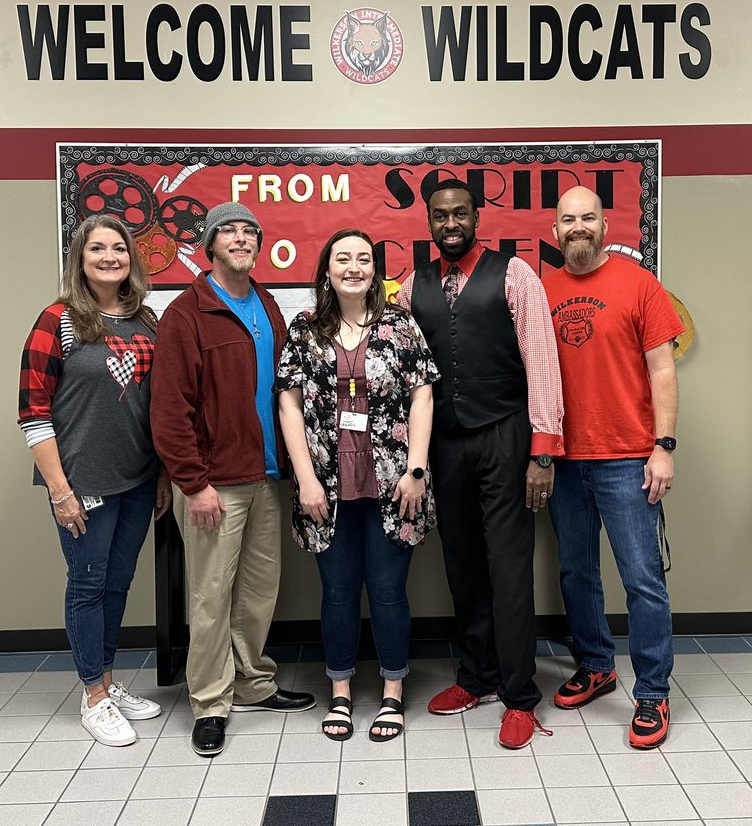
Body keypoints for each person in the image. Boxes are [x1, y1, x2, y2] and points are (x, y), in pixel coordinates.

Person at [397, 180, 566, 750]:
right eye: (440, 215)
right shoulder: (411, 286)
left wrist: (542, 451)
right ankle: (478, 676)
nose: (450, 223)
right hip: (444, 441)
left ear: (477, 216)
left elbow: (542, 364)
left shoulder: (515, 276)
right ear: (428, 220)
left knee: (510, 565)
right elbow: (404, 377)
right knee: (462, 561)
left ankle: (520, 695)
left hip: (505, 434)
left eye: (460, 213)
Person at [151, 201, 315, 757]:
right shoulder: (186, 313)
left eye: (250, 232)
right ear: (210, 245)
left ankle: (252, 684)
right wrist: (193, 484)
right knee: (209, 596)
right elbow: (170, 410)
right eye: (230, 232)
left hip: (266, 477)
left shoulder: (266, 304)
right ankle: (211, 702)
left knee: (257, 594)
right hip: (213, 484)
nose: (242, 239)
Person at [275, 229, 438, 743]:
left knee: (389, 592)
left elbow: (423, 395)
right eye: (342, 258)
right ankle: (341, 693)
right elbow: (289, 403)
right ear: (326, 270)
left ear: (375, 270)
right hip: (325, 486)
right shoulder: (304, 329)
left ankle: (392, 692)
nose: (353, 267)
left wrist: (416, 470)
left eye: (363, 259)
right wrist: (305, 480)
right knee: (339, 593)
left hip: (394, 485)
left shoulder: (399, 324)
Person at [17, 213, 170, 747]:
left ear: (132, 260)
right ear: (80, 259)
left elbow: (157, 406)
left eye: (120, 249)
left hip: (138, 479)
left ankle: (107, 680)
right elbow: (33, 413)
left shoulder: (147, 321)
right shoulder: (56, 320)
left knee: (117, 584)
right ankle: (93, 696)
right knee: (87, 585)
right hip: (82, 484)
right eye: (98, 249)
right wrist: (60, 491)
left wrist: (163, 474)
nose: (110, 257)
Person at [544, 185, 684, 750]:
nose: (578, 227)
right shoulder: (544, 288)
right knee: (577, 573)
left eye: (587, 218)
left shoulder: (639, 284)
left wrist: (664, 445)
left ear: (605, 225)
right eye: (567, 219)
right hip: (564, 461)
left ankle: (652, 691)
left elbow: (663, 371)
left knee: (642, 580)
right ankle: (597, 665)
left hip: (629, 457)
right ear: (555, 231)